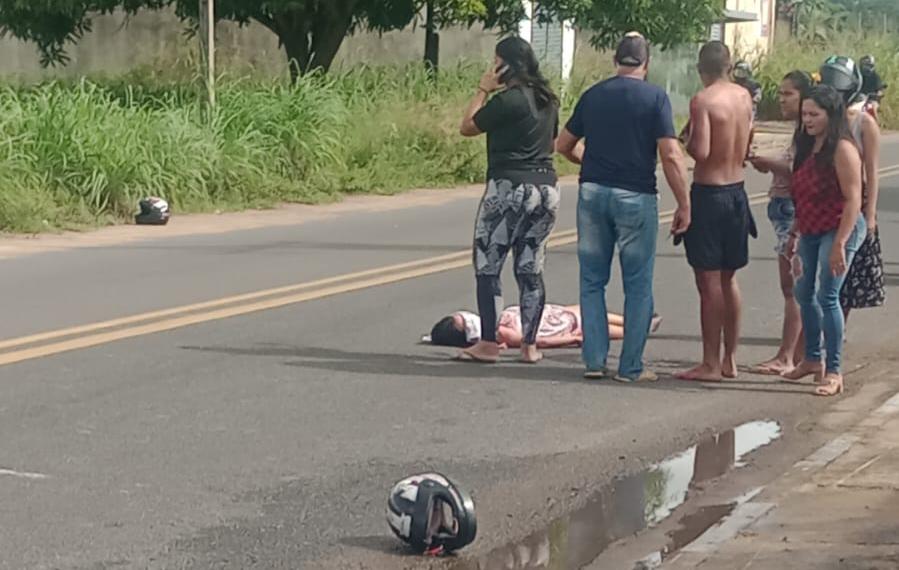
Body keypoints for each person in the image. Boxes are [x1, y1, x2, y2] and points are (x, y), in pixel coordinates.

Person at [556, 32, 690, 383]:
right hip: (635, 195)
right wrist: (684, 202)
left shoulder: (594, 95)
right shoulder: (655, 98)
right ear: (646, 64)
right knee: (638, 284)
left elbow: (564, 144)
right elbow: (671, 155)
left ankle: (595, 361)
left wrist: (588, 160)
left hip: (593, 192)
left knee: (592, 281)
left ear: (616, 61)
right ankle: (630, 366)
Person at [458, 36, 561, 364]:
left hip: (509, 185)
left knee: (488, 261)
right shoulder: (549, 100)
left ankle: (488, 343)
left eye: (495, 61)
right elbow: (554, 144)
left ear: (505, 65)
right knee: (530, 266)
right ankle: (529, 346)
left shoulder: (508, 100)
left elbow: (468, 127)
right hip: (546, 188)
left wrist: (483, 89)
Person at [677, 41, 756, 382]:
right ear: (730, 65)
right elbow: (748, 141)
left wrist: (686, 137)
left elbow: (703, 150)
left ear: (700, 69)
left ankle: (709, 362)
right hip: (737, 190)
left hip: (710, 192)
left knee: (707, 279)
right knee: (729, 277)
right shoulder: (744, 97)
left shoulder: (703, 100)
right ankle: (731, 359)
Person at [781, 85, 866, 396]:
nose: (808, 120)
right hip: (811, 227)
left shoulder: (842, 148)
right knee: (804, 292)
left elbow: (853, 199)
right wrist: (794, 233)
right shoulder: (806, 147)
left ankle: (834, 370)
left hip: (840, 226)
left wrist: (840, 244)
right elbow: (800, 194)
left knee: (827, 295)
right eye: (804, 114)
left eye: (814, 114)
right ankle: (811, 359)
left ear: (831, 116)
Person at [748, 70, 814, 375]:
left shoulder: (809, 131)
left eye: (788, 93)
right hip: (784, 206)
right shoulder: (799, 130)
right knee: (794, 285)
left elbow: (802, 173)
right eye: (781, 92)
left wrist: (769, 163)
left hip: (792, 209)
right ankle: (799, 352)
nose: (782, 99)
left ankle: (786, 356)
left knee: (793, 287)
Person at [819, 56, 885, 329]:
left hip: (854, 204)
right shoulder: (821, 118)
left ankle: (836, 328)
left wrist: (869, 215)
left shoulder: (863, 123)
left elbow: (872, 171)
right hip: (823, 202)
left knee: (845, 273)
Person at [427, 306, 664, 350]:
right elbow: (536, 341)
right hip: (553, 327)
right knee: (595, 324)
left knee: (588, 310)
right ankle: (638, 329)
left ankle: (636, 321)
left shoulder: (495, 319)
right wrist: (569, 339)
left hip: (552, 315)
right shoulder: (501, 333)